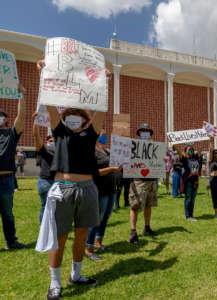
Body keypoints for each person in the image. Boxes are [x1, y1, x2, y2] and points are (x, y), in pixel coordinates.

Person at [38, 57, 110, 300]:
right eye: (70, 113)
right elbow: (49, 103)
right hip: (62, 188)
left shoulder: (91, 133)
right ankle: (54, 282)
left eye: (79, 114)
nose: (74, 116)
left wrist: (105, 83)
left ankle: (76, 274)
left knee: (81, 234)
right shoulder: (59, 131)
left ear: (86, 118)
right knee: (59, 236)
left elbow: (101, 110)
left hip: (87, 188)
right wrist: (43, 74)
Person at [85, 131, 121, 260]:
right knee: (96, 219)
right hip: (99, 190)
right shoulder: (91, 151)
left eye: (106, 134)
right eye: (102, 134)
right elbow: (94, 172)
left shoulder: (107, 151)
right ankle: (88, 248)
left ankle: (98, 242)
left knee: (105, 217)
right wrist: (112, 169)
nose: (105, 136)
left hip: (111, 189)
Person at [0, 84, 27, 250]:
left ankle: (11, 241)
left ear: (6, 120)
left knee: (7, 214)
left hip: (6, 180)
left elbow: (21, 117)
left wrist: (21, 96)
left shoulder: (11, 133)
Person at [129, 124, 158, 244]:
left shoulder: (155, 147)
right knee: (135, 206)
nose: (145, 133)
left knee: (148, 204)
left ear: (150, 133)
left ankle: (147, 227)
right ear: (139, 133)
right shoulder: (133, 146)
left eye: (147, 131)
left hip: (151, 180)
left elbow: (158, 161)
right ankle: (133, 231)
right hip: (138, 180)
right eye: (143, 131)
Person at [33, 115, 55, 224]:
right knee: (45, 207)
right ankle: (44, 229)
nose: (52, 142)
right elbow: (36, 136)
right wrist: (36, 122)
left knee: (55, 209)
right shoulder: (44, 150)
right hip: (46, 182)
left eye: (54, 140)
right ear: (46, 142)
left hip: (57, 182)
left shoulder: (60, 152)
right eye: (50, 140)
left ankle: (51, 228)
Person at [173, 143, 202, 221]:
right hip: (188, 181)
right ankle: (188, 216)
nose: (191, 151)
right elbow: (179, 152)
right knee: (188, 198)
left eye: (192, 150)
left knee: (193, 199)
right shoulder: (185, 159)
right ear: (185, 151)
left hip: (195, 180)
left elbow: (200, 150)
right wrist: (175, 145)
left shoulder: (195, 158)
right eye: (189, 150)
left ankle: (191, 215)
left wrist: (206, 140)